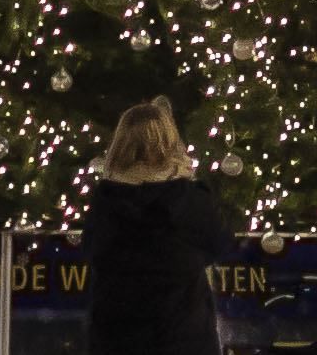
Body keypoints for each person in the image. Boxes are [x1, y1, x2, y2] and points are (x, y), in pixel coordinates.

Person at [80, 98, 241, 355]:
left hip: (118, 335)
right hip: (183, 332)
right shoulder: (191, 199)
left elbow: (92, 251)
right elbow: (220, 244)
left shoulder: (108, 200)